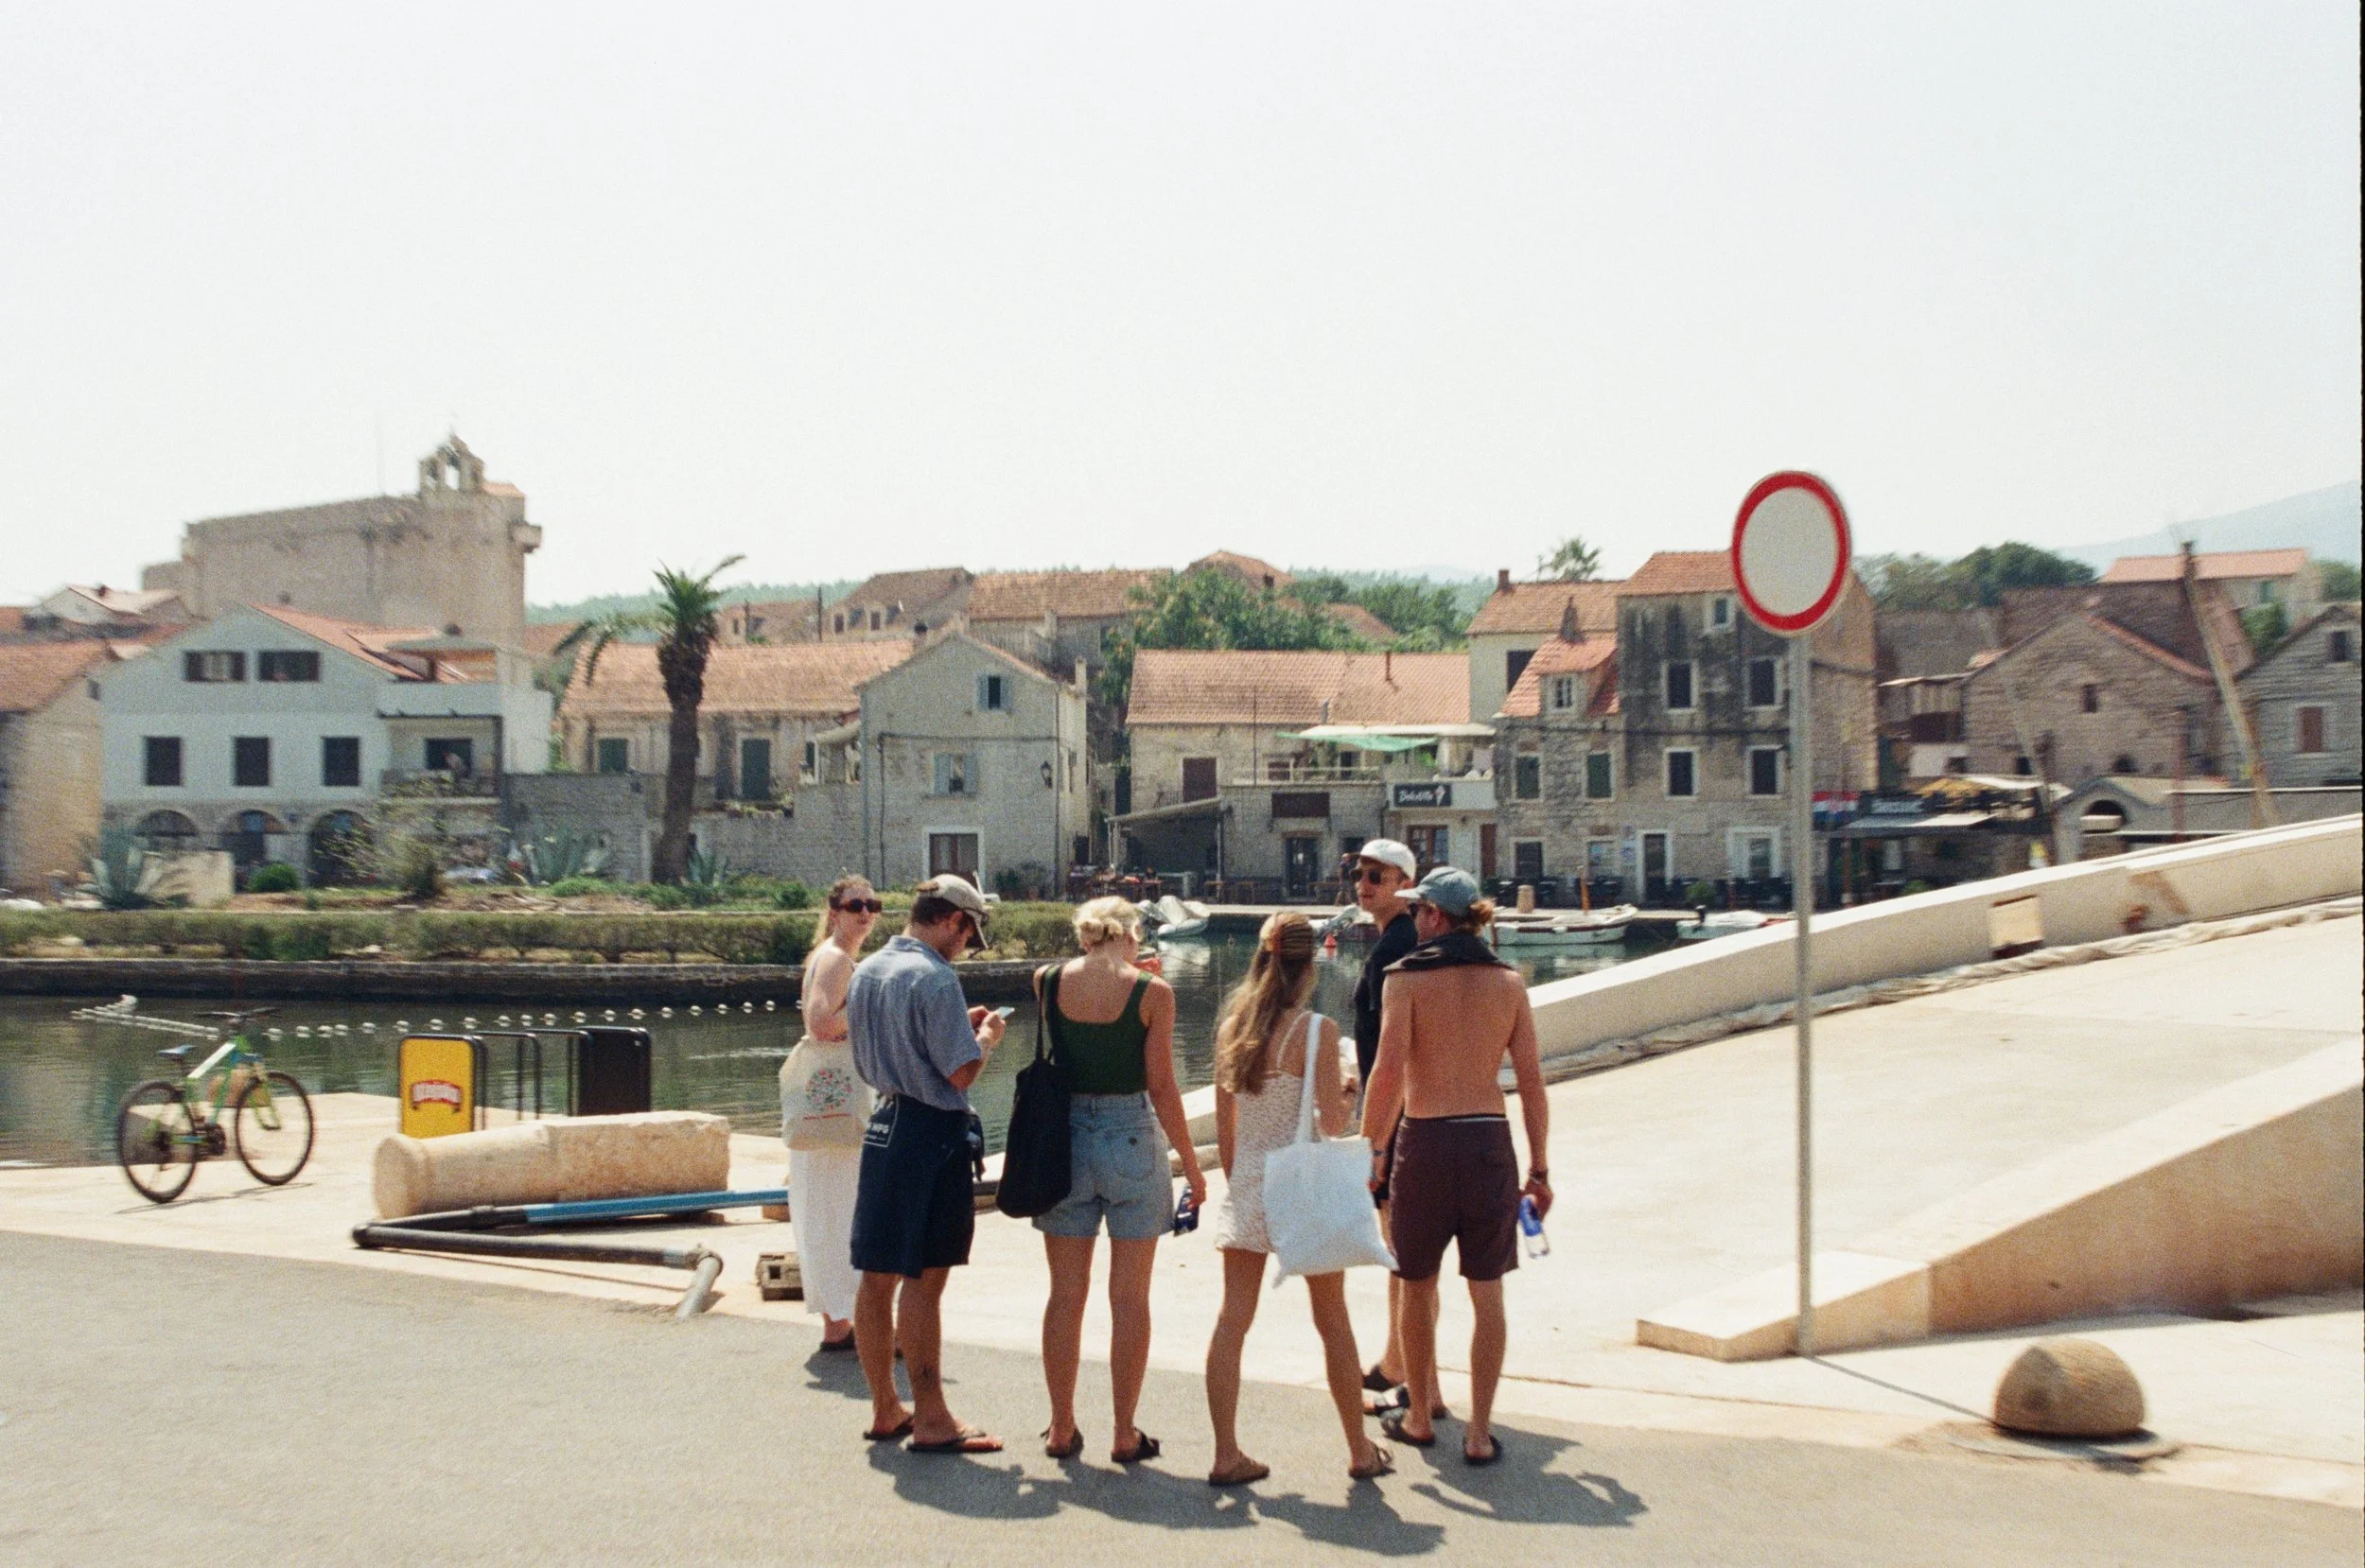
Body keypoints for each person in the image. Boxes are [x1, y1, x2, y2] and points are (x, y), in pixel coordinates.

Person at [1358, 866, 1550, 1468]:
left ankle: (1418, 1416)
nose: (1413, 920)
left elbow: (1387, 1074)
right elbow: (1532, 1083)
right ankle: (1479, 1431)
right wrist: (1540, 1170)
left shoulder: (1405, 978)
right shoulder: (1510, 982)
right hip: (1489, 1143)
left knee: (1417, 1284)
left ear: (1436, 917)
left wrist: (1372, 1150)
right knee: (1486, 1290)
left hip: (1427, 1142)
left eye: (1418, 911)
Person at [1202, 912, 1393, 1487]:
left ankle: (1226, 1453)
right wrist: (1347, 1090)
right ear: (1309, 965)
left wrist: (1240, 1184)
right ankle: (1359, 1451)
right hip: (1302, 1188)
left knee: (1231, 1322)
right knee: (1333, 1322)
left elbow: (1227, 1123)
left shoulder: (1234, 1024)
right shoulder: (1317, 1030)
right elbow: (1334, 1128)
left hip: (1252, 1183)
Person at [1031, 897, 1209, 1465]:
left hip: (1066, 1142)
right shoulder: (1153, 994)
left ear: (1086, 934)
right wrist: (1191, 1162)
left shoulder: (1046, 980)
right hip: (1131, 1135)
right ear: (1131, 933)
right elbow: (1162, 1086)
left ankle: (1062, 1426)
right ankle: (1124, 1431)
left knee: (1065, 1294)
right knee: (1129, 1298)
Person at [845, 876, 1009, 1454]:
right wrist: (985, 1038)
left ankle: (886, 1407)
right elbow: (960, 1074)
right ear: (953, 921)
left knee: (876, 1276)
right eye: (969, 933)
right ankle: (934, 1417)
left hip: (884, 1123)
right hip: (932, 1133)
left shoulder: (867, 970)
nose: (967, 945)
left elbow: (902, 1047)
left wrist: (952, 1029)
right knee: (925, 1280)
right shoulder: (935, 978)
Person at [1340, 839, 1428, 1412]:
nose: (1364, 884)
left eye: (1377, 876)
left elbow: (1396, 1050)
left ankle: (1403, 1366)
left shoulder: (1397, 947)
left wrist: (1377, 1135)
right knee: (1400, 1246)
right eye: (1359, 874)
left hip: (1398, 1116)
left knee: (1400, 1245)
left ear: (1402, 882)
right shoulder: (1394, 943)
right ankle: (1403, 1363)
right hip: (1396, 1108)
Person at [780, 875, 881, 1350]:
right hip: (838, 1101)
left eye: (872, 903)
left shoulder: (828, 956)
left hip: (827, 1101)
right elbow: (822, 1023)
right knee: (843, 1208)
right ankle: (846, 1318)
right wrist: (874, 1007)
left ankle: (840, 1321)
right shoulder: (837, 958)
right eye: (854, 904)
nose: (865, 912)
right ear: (835, 910)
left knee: (826, 1209)